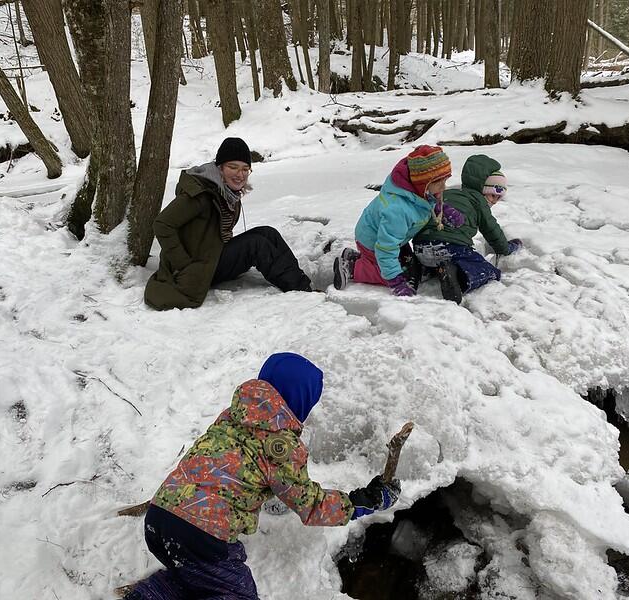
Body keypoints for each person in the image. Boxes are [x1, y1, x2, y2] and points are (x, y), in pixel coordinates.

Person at [125, 353, 401, 600]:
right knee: (236, 593)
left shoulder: (231, 417)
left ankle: (152, 593)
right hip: (202, 533)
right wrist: (363, 501)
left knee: (200, 573)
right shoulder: (281, 444)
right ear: (300, 400)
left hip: (160, 518)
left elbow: (235, 469)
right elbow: (311, 506)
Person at [144, 138, 312, 311]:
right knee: (256, 245)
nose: (240, 175)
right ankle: (303, 291)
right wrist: (183, 263)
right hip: (197, 267)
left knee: (267, 233)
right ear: (220, 168)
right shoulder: (200, 195)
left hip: (211, 257)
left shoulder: (227, 193)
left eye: (245, 169)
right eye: (233, 167)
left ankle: (301, 280)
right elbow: (162, 224)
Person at [332, 145, 463, 297]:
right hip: (373, 242)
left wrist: (442, 210)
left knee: (411, 265)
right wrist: (396, 282)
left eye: (445, 180)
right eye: (439, 182)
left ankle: (358, 258)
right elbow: (386, 248)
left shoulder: (418, 191)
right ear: (423, 183)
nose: (444, 186)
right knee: (396, 273)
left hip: (395, 237)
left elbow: (425, 202)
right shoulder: (397, 210)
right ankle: (352, 267)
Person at [412, 154, 523, 305]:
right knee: (488, 271)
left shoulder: (447, 193)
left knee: (435, 256)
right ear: (482, 189)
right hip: (450, 247)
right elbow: (492, 230)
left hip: (420, 247)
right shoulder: (478, 202)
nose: (495, 201)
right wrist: (506, 248)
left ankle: (422, 270)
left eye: (499, 197)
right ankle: (456, 276)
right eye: (493, 195)